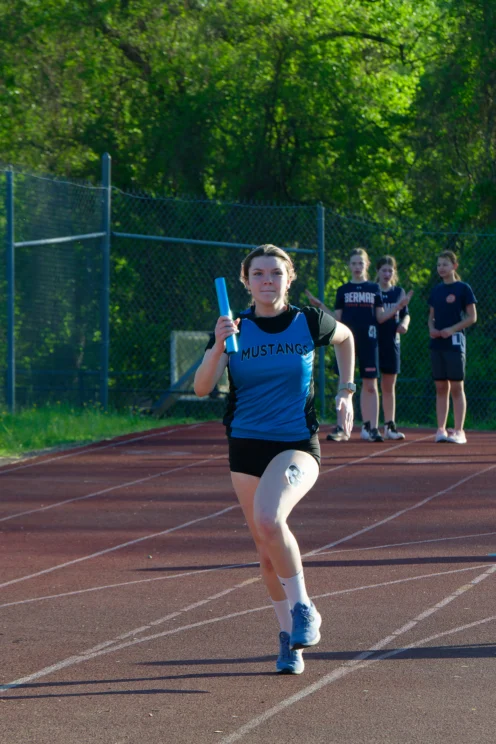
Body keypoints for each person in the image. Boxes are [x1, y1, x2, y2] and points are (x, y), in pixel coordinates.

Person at [194, 244, 355, 675]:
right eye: (259, 274)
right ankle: (289, 640)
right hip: (245, 446)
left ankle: (305, 609)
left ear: (290, 278)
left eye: (276, 273)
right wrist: (217, 347)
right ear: (246, 281)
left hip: (296, 443)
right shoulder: (234, 327)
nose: (268, 281)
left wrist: (346, 389)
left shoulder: (308, 321)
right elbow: (201, 387)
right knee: (266, 553)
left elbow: (346, 339)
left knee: (269, 519)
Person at [305, 248, 412, 443]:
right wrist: (320, 306)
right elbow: (337, 319)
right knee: (344, 384)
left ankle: (370, 427)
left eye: (360, 263)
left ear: (367, 265)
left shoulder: (374, 289)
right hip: (345, 342)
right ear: (349, 265)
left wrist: (398, 307)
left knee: (371, 385)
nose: (357, 267)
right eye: (353, 263)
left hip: (370, 342)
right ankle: (341, 428)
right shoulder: (343, 290)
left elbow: (380, 317)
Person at [428, 250, 477, 444]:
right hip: (437, 342)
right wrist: (432, 328)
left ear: (454, 266)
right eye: (439, 265)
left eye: (445, 265)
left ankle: (459, 430)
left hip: (455, 342)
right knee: (441, 386)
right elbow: (430, 316)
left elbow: (472, 317)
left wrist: (452, 329)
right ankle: (441, 429)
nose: (441, 268)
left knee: (456, 387)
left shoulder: (463, 288)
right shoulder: (436, 290)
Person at [375, 256, 411, 440]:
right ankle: (371, 426)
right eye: (384, 270)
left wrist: (404, 323)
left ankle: (389, 425)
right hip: (373, 342)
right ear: (377, 272)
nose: (387, 274)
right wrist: (398, 307)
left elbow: (406, 315)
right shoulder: (373, 291)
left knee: (389, 387)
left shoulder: (399, 292)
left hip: (392, 343)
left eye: (390, 270)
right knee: (372, 385)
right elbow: (380, 317)